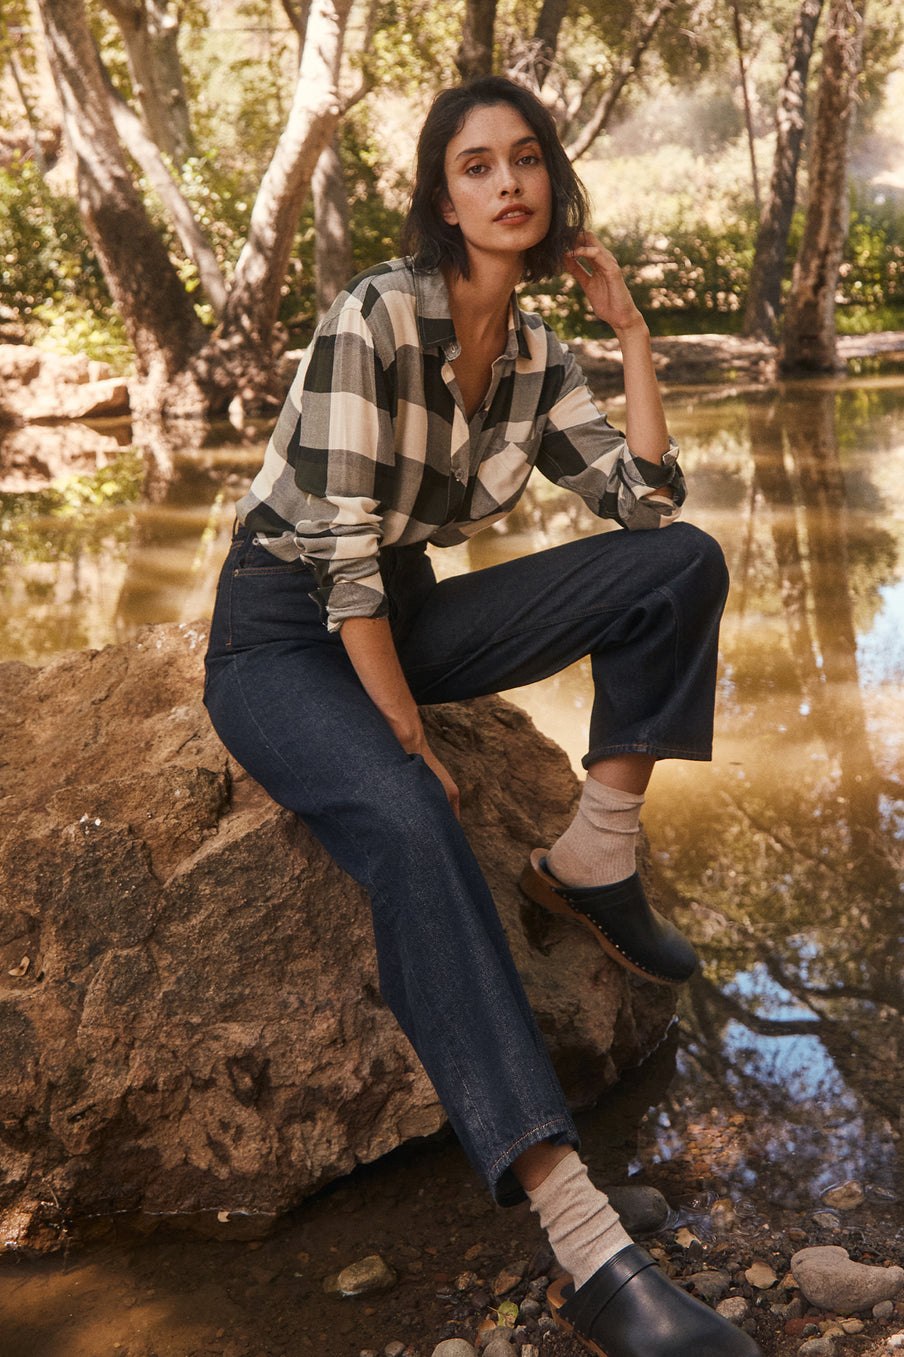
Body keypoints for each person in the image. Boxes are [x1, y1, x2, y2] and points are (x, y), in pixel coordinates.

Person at [204, 76, 756, 1357]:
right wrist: (404, 731)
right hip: (281, 631)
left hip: (400, 609)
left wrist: (633, 337)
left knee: (681, 567)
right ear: (442, 200)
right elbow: (340, 548)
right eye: (476, 165)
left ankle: (596, 855)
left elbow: (648, 508)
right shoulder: (375, 312)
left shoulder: (538, 355)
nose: (509, 182)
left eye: (527, 159)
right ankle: (587, 1243)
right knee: (412, 821)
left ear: (552, 181)